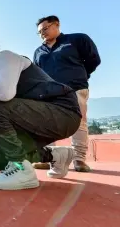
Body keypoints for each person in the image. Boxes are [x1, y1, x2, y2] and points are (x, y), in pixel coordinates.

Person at [0, 50, 82, 190]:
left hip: (64, 113)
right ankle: (56, 155)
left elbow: (4, 93)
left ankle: (22, 169)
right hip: (35, 124)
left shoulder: (3, 58)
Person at [33, 15, 101, 172]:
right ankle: (46, 158)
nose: (42, 33)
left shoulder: (77, 40)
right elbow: (37, 74)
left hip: (74, 89)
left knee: (79, 123)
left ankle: (79, 160)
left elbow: (93, 60)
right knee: (46, 125)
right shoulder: (38, 52)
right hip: (49, 93)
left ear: (56, 24)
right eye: (39, 32)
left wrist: (80, 75)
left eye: (45, 29)